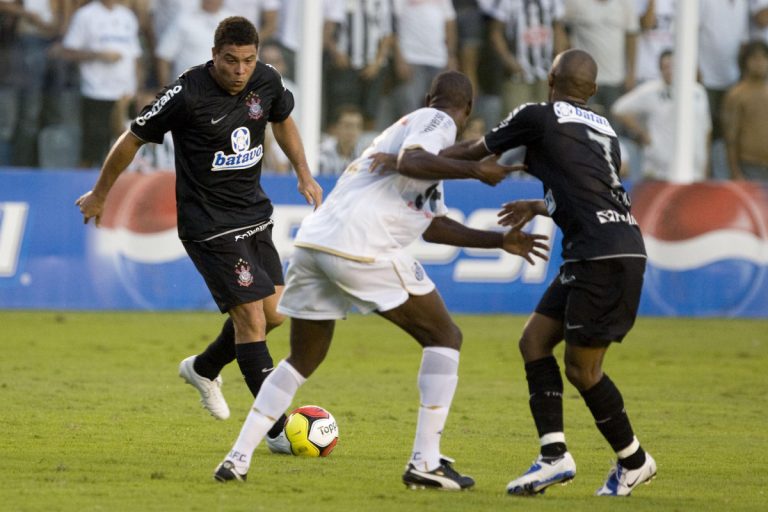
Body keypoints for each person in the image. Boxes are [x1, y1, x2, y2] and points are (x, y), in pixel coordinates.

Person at [212, 70, 550, 487]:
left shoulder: (416, 145)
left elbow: (433, 226)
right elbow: (415, 159)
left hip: (315, 243)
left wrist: (499, 240)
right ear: (467, 110)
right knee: (445, 336)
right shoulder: (436, 121)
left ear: (429, 94)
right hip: (361, 244)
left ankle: (237, 457)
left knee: (303, 359)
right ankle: (425, 462)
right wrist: (478, 171)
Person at [75, 17, 323, 452]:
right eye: (231, 60)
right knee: (251, 322)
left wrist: (304, 174)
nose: (240, 70)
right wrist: (100, 194)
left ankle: (204, 368)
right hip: (208, 225)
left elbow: (282, 119)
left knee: (276, 314)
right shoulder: (185, 93)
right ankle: (277, 430)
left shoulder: (267, 81)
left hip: (254, 214)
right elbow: (132, 138)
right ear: (214, 55)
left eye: (248, 60)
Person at [441, 49, 656, 497]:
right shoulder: (608, 132)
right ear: (593, 91)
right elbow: (592, 193)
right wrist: (539, 205)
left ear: (550, 78)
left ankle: (634, 461)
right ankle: (554, 456)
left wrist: (420, 160)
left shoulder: (538, 114)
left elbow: (478, 150)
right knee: (534, 341)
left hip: (600, 256)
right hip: (613, 248)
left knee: (583, 369)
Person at [57, 0, 143, 168]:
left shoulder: (127, 16)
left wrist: (137, 88)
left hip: (125, 94)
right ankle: (85, 188)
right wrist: (98, 55)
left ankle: (123, 190)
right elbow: (67, 52)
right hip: (96, 92)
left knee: (128, 147)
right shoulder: (85, 15)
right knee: (92, 148)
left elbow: (136, 57)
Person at [612, 49, 711, 181]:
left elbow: (706, 129)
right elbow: (618, 109)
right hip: (659, 170)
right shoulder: (652, 91)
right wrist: (642, 133)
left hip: (694, 169)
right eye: (665, 67)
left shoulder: (698, 92)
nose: (669, 70)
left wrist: (705, 164)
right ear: (659, 70)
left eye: (673, 66)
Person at [722, 40, 768, 181]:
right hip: (749, 167)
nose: (760, 63)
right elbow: (730, 137)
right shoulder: (736, 95)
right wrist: (735, 172)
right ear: (746, 62)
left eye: (764, 58)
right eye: (755, 58)